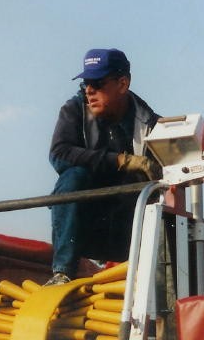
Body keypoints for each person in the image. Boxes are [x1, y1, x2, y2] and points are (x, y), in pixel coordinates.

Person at [46, 48, 161, 285]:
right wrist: (120, 160)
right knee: (73, 177)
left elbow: (168, 173)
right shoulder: (75, 110)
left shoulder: (148, 122)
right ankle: (63, 271)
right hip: (85, 224)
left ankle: (151, 275)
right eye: (86, 83)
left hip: (125, 223)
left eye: (97, 83)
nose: (89, 90)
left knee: (154, 195)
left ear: (122, 84)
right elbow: (59, 154)